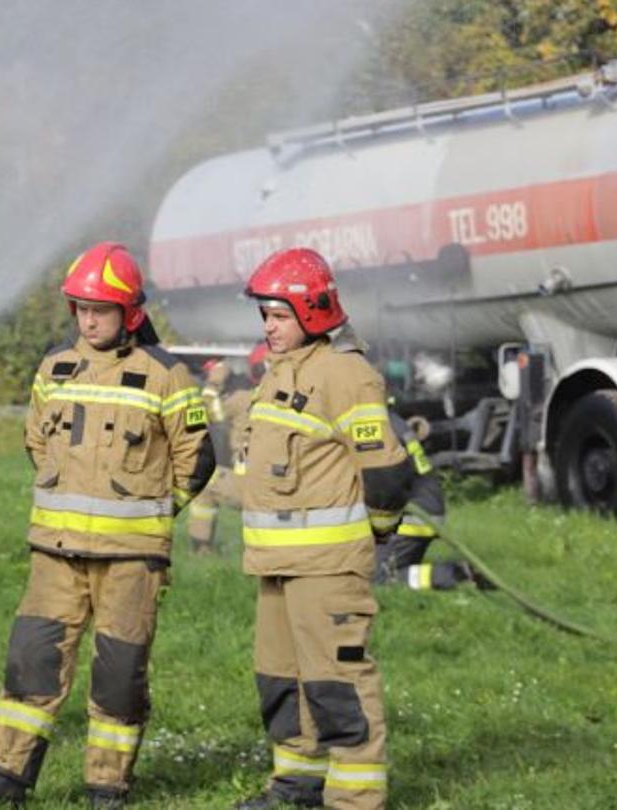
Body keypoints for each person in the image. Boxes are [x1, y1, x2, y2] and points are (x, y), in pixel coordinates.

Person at [0, 242, 214, 809]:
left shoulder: (166, 375)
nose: (88, 321)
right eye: (81, 309)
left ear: (129, 313)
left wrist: (153, 514)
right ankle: (4, 778)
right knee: (30, 663)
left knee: (119, 676)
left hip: (131, 560)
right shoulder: (54, 367)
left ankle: (106, 788)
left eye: (100, 310)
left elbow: (197, 460)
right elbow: (36, 440)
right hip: (55, 553)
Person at [232, 248, 412, 810]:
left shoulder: (346, 375)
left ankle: (355, 799)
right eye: (265, 315)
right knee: (281, 680)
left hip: (328, 567)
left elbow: (385, 471)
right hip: (275, 562)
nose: (269, 326)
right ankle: (297, 786)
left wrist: (376, 531)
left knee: (339, 684)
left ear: (313, 312)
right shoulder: (278, 373)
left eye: (278, 315)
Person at [371, 411, 482, 592]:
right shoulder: (388, 418)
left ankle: (451, 575)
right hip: (422, 507)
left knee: (379, 578)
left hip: (413, 514)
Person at [183, 348, 258, 554]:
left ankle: (201, 548)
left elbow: (208, 415)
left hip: (252, 487)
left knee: (204, 485)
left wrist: (212, 384)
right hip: (278, 484)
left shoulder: (240, 399)